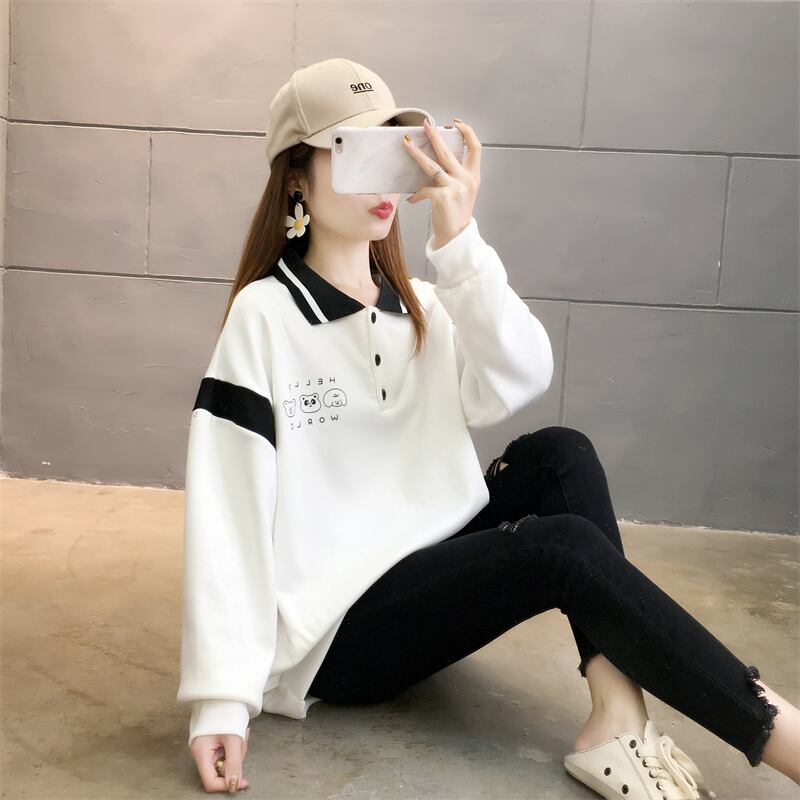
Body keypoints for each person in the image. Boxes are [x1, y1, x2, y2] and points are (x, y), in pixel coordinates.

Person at [176, 58, 800, 796]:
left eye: (393, 151)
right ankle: (786, 738)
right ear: (297, 178)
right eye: (352, 152)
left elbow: (520, 376)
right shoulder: (265, 317)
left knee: (562, 454)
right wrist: (221, 701)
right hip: (343, 634)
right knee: (559, 548)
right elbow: (228, 512)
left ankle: (615, 714)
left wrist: (460, 240)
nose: (383, 182)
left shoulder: (423, 306)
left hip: (433, 563)